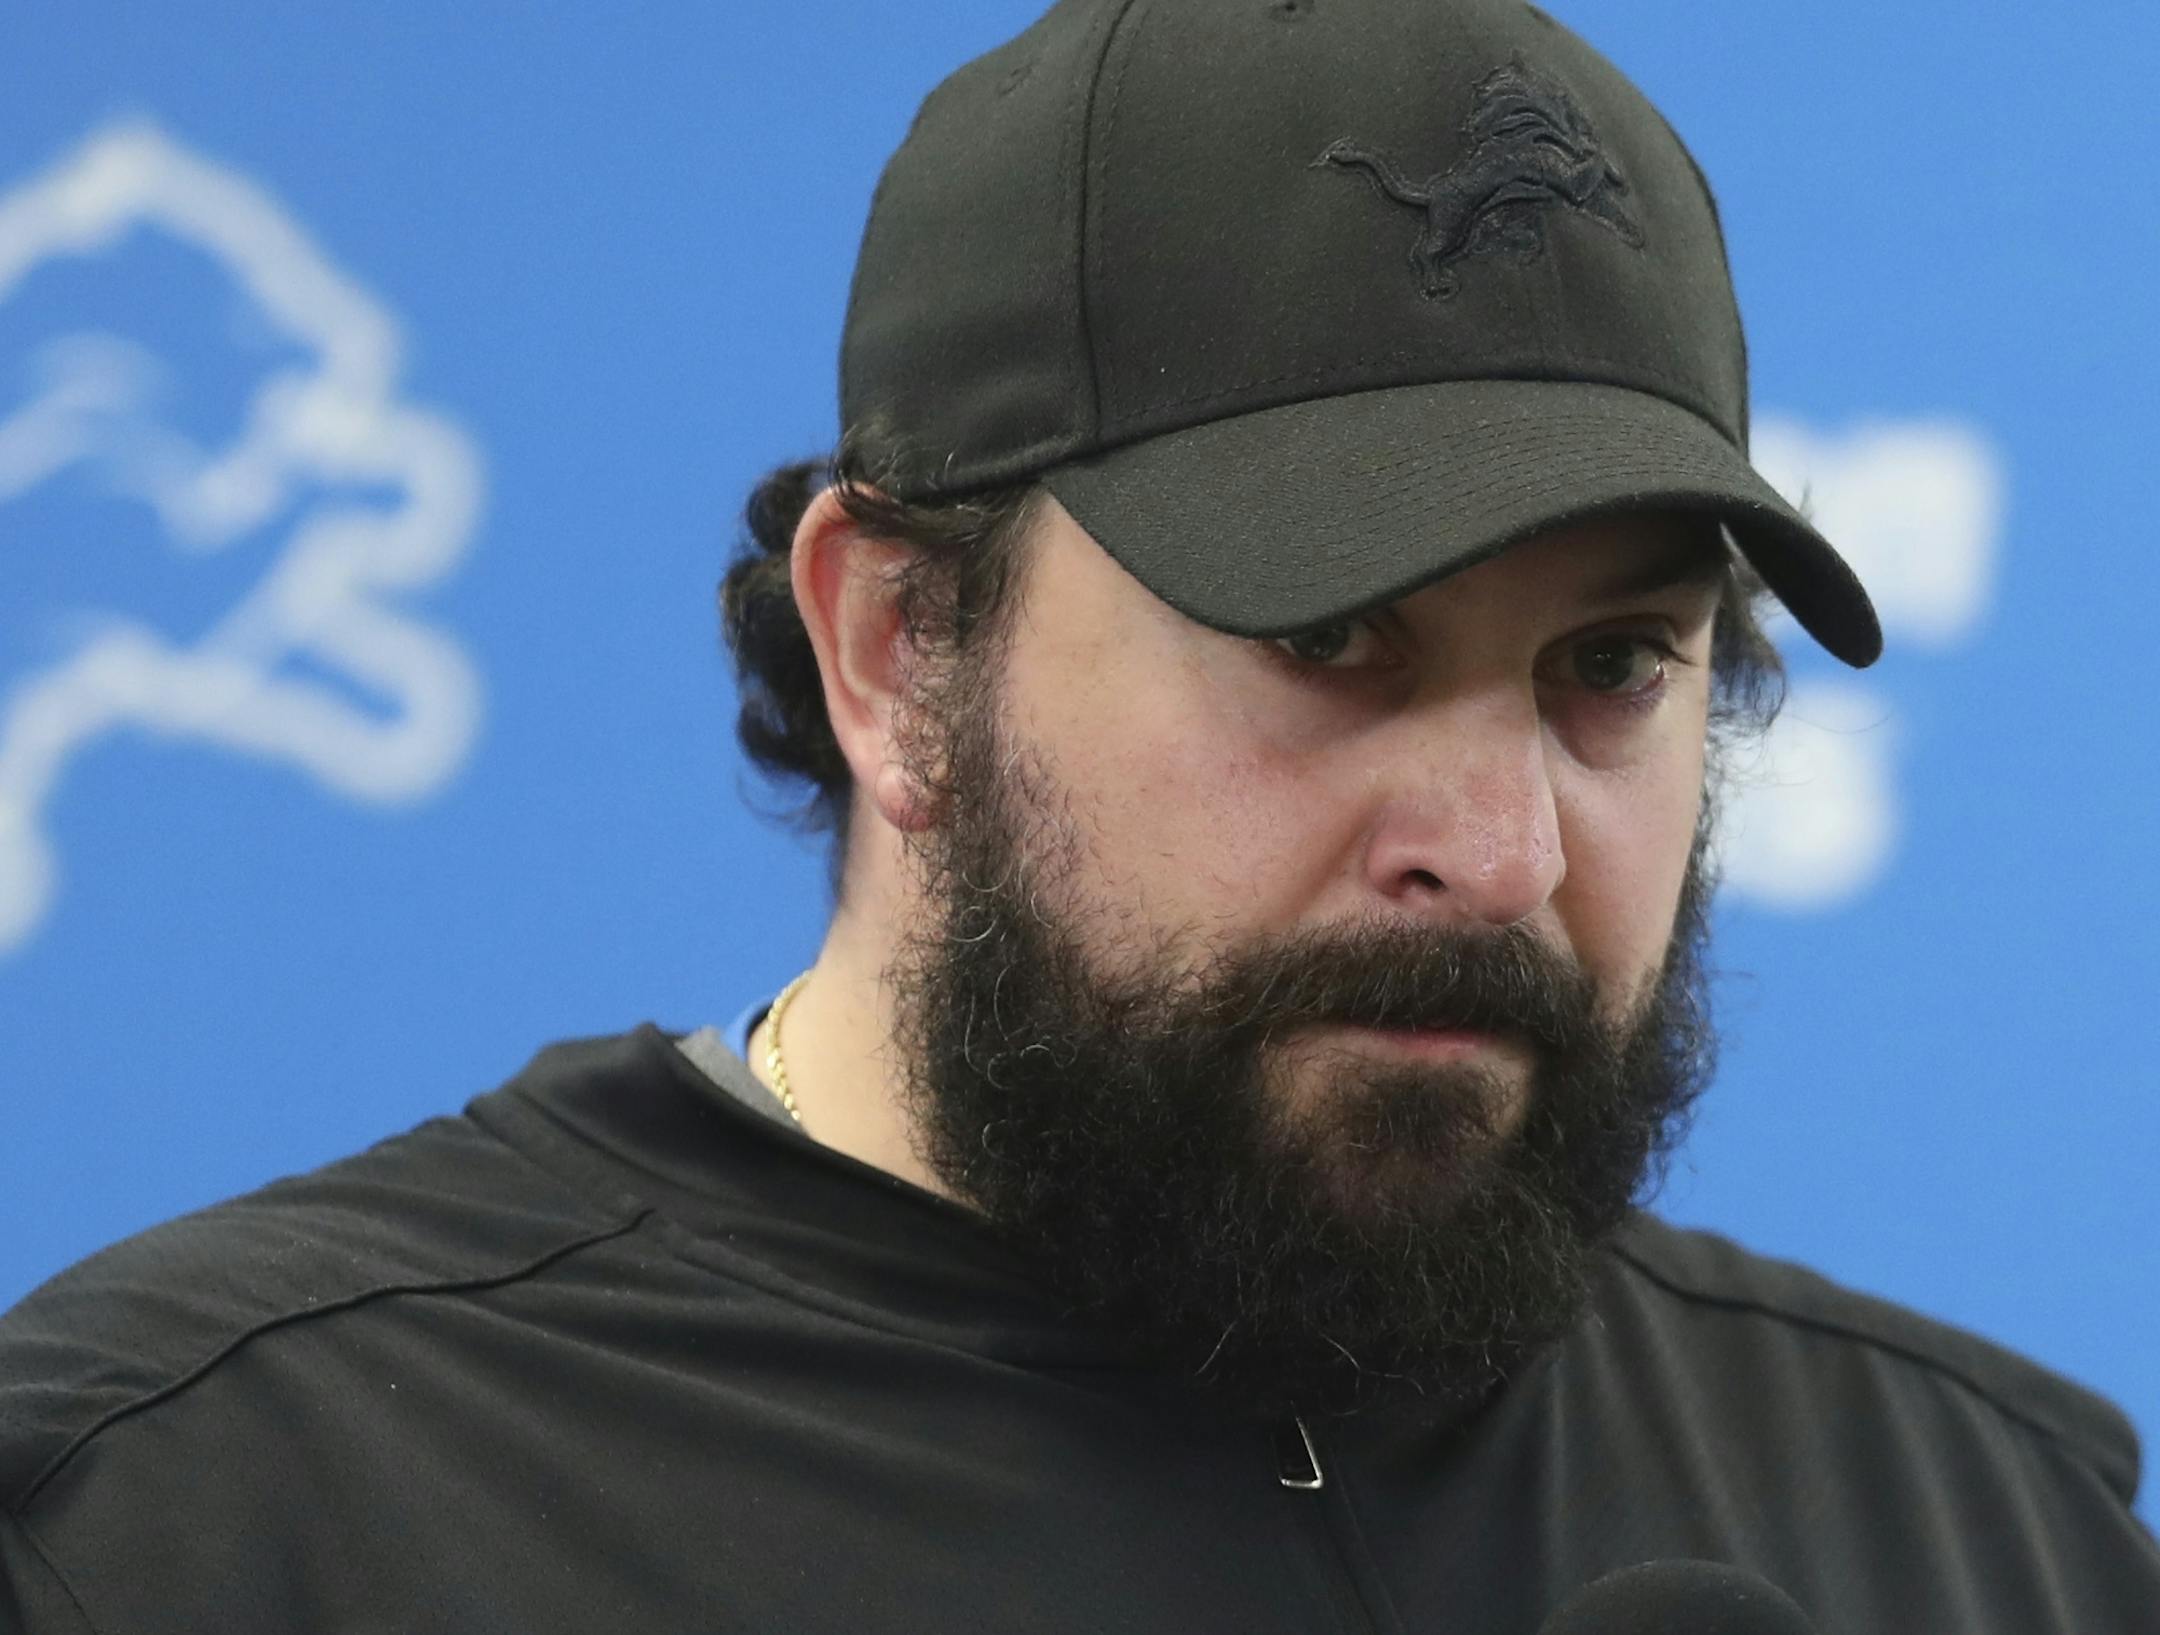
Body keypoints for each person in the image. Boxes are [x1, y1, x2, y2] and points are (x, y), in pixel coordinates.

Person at [3, 0, 2156, 1628]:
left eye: (1612, 667)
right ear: (895, 651)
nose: (1500, 849)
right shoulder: (198, 1510)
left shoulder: (1981, 1534)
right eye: (1334, 640)